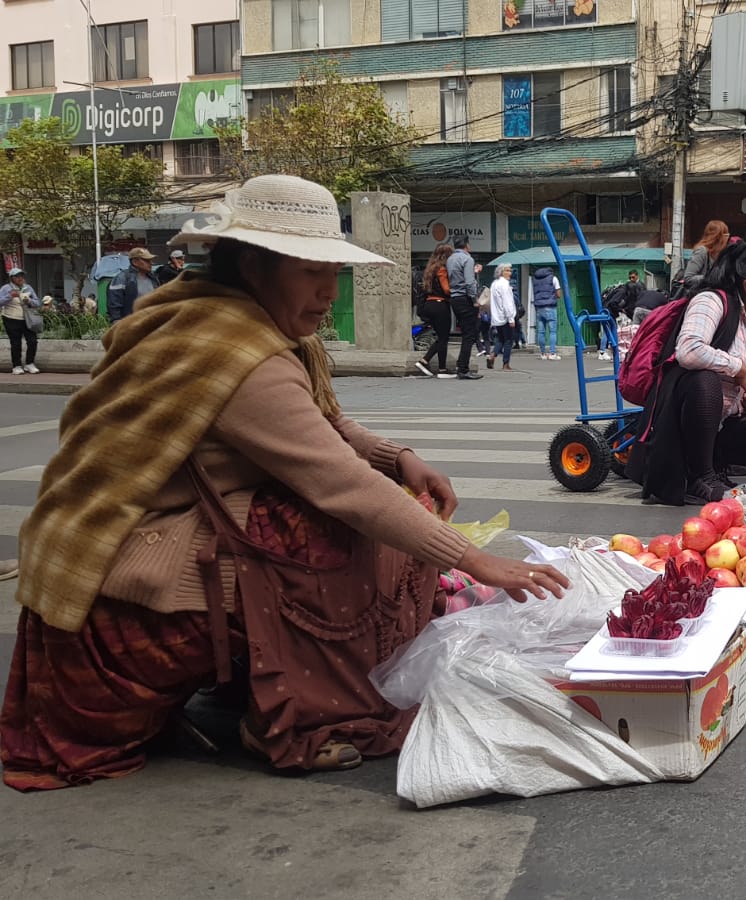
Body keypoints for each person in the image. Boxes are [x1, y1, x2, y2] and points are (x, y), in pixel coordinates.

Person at [0, 174, 570, 791]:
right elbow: (339, 482)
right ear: (253, 267)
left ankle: (257, 673)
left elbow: (318, 423)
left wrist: (394, 454)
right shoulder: (234, 351)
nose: (328, 292)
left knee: (351, 513)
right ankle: (299, 710)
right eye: (309, 272)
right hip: (119, 576)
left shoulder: (222, 320)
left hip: (120, 543)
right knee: (332, 528)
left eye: (332, 271)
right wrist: (475, 559)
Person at [627, 240, 746, 506]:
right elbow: (689, 350)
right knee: (704, 381)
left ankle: (717, 461)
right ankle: (699, 475)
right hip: (687, 419)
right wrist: (738, 368)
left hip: (730, 422)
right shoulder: (711, 301)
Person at [415, 243, 454, 378]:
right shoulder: (442, 269)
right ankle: (425, 361)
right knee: (443, 338)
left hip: (429, 304)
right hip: (440, 305)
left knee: (441, 338)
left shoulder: (430, 269)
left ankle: (441, 368)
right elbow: (446, 289)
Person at [446, 238, 482, 380]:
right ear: (467, 245)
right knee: (470, 335)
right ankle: (463, 369)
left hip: (455, 298)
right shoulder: (467, 259)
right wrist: (474, 300)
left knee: (466, 333)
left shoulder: (450, 259)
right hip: (465, 298)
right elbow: (469, 282)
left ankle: (461, 365)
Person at [0, 268, 42, 375]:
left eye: (22, 276)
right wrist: (10, 296)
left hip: (27, 319)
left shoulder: (28, 288)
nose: (20, 278)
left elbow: (37, 303)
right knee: (16, 343)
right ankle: (17, 365)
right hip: (11, 319)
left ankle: (30, 363)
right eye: (17, 276)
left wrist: (29, 301)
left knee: (32, 341)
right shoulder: (6, 288)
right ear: (12, 278)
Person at [107, 248, 160, 324]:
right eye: (146, 260)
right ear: (135, 262)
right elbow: (114, 303)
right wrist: (117, 322)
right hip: (132, 325)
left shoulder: (153, 278)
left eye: (150, 260)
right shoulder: (122, 278)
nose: (150, 263)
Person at [680, 220, 729, 293]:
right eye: (725, 235)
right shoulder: (702, 251)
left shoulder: (723, 254)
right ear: (717, 238)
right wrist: (710, 278)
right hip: (698, 295)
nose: (727, 238)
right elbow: (688, 278)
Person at [486, 264, 518, 371]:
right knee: (508, 340)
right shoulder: (504, 285)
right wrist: (511, 318)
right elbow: (507, 302)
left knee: (500, 338)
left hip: (497, 316)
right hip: (505, 316)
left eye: (510, 270)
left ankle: (492, 355)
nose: (510, 272)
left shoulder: (494, 284)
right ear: (502, 272)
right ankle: (506, 363)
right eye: (507, 270)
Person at [530, 266, 562, 360]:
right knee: (552, 331)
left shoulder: (535, 279)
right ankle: (552, 353)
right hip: (550, 307)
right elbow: (559, 294)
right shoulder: (553, 278)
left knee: (541, 332)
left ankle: (543, 353)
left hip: (539, 308)